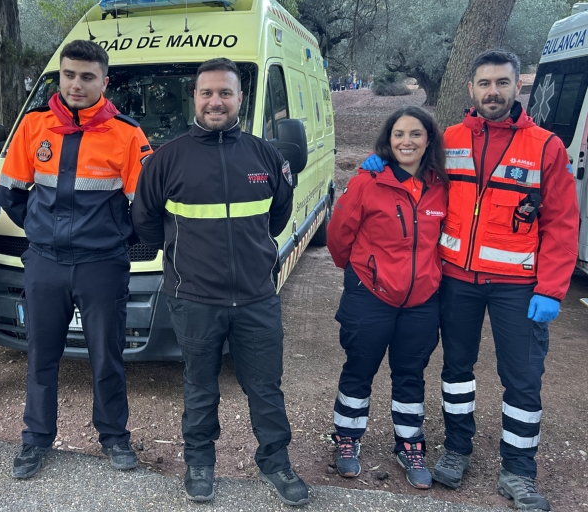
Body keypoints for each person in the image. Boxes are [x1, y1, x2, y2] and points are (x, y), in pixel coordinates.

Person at [362, 49, 579, 510]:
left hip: (518, 287)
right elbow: (412, 170)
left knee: (521, 378)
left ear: (518, 86)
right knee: (457, 371)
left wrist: (551, 288)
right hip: (456, 280)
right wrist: (378, 166)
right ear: (472, 89)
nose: (493, 92)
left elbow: (562, 223)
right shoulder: (450, 140)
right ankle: (457, 449)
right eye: (484, 83)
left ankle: (519, 470)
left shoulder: (545, 147)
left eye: (502, 83)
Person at [131, 58, 308, 506]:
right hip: (193, 298)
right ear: (195, 97)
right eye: (207, 92)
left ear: (239, 99)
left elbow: (278, 216)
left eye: (225, 93)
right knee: (200, 384)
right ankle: (200, 463)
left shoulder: (266, 155)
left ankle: (276, 462)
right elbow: (146, 223)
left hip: (256, 298)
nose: (216, 101)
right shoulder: (168, 159)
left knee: (265, 386)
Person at [0, 39, 150, 479]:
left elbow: (143, 208)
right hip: (45, 262)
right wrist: (44, 231)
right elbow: (10, 193)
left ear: (104, 80)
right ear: (59, 76)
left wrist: (113, 237)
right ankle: (35, 439)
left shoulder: (127, 134)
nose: (76, 84)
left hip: (102, 265)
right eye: (69, 75)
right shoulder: (33, 127)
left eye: (87, 76)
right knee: (41, 355)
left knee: (107, 355)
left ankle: (114, 437)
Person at [327, 106, 448, 489]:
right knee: (360, 368)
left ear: (428, 140)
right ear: (388, 139)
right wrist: (362, 274)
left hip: (422, 300)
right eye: (399, 134)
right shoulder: (368, 181)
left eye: (415, 134)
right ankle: (347, 439)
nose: (406, 141)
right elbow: (338, 236)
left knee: (411, 375)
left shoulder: (441, 185)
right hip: (371, 295)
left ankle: (410, 444)